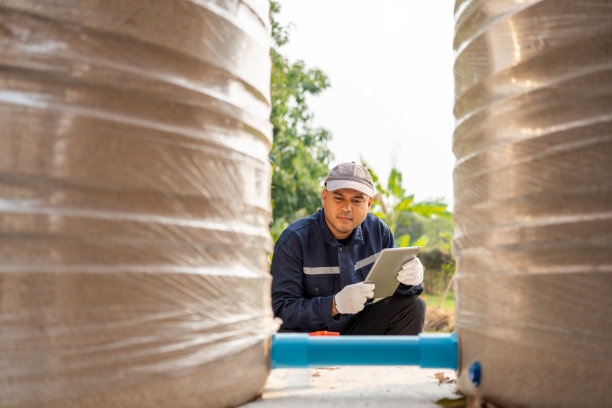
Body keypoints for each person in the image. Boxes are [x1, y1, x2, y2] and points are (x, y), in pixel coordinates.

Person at [270, 162, 426, 334]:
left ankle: (389, 361)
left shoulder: (378, 232)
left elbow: (401, 288)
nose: (346, 208)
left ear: (369, 204)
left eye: (357, 200)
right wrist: (333, 306)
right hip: (312, 337)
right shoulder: (294, 239)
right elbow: (280, 309)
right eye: (339, 198)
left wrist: (410, 280)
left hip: (357, 329)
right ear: (324, 197)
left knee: (414, 307)